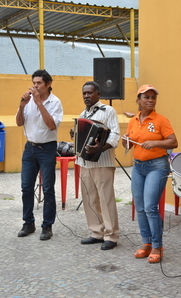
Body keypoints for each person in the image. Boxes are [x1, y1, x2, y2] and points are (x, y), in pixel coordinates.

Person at [122, 84, 178, 263]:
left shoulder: (161, 120)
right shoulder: (133, 120)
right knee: (139, 206)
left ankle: (157, 245)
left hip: (157, 166)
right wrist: (126, 141)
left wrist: (155, 144)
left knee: (150, 207)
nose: (150, 100)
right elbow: (128, 144)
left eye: (153, 97)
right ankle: (146, 243)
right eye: (146, 97)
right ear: (138, 100)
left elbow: (173, 142)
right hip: (138, 166)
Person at [15, 69, 63, 241]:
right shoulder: (27, 101)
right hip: (30, 148)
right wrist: (22, 105)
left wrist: (39, 104)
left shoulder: (55, 102)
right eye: (34, 83)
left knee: (48, 188)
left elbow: (52, 125)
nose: (35, 86)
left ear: (48, 84)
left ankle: (47, 225)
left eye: (39, 83)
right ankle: (28, 222)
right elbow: (19, 122)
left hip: (47, 148)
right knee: (26, 187)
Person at [72, 81, 121, 250]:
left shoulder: (108, 111)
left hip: (103, 162)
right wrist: (75, 133)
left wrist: (100, 147)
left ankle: (111, 235)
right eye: (84, 93)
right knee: (89, 199)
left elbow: (115, 134)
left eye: (90, 93)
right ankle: (96, 232)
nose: (86, 96)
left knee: (106, 199)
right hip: (84, 163)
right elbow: (81, 137)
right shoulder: (82, 114)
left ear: (98, 94)